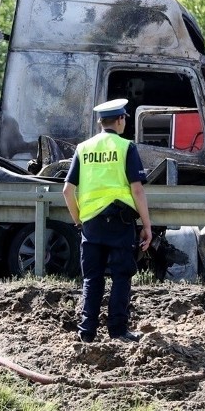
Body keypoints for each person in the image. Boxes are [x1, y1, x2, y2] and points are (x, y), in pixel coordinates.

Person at [62, 98, 152, 343]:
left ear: (100, 122)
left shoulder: (83, 148)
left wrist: (80, 220)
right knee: (121, 276)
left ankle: (87, 333)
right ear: (120, 120)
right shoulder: (126, 147)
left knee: (92, 278)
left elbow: (67, 191)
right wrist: (147, 226)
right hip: (120, 223)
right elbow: (138, 190)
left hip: (91, 223)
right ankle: (118, 331)